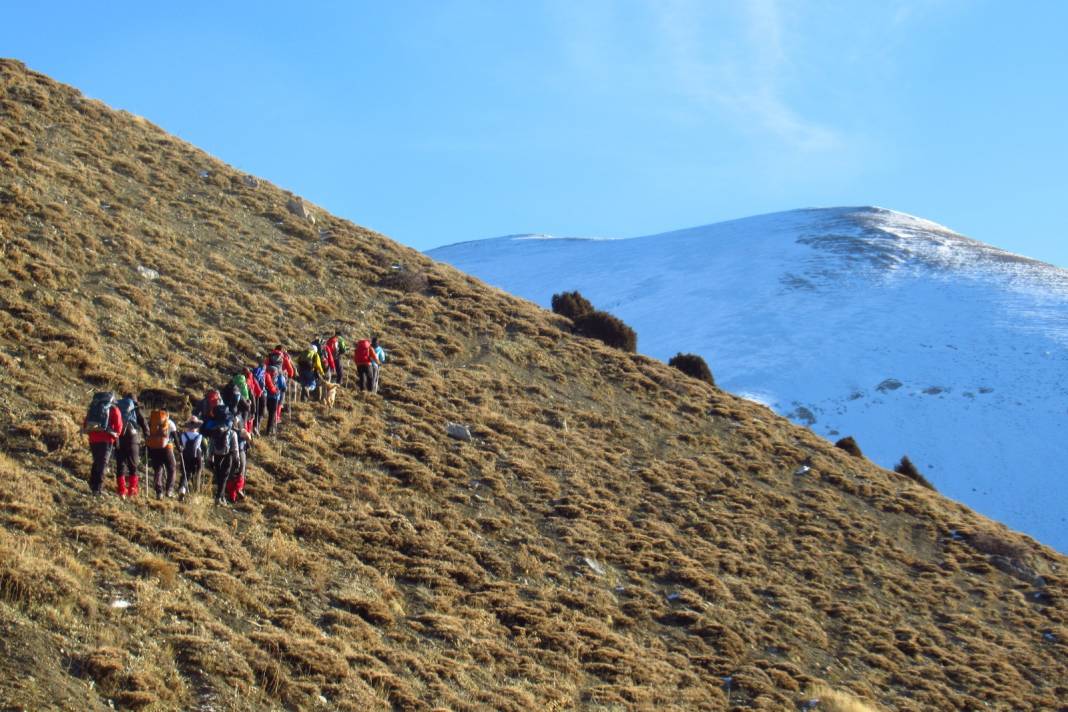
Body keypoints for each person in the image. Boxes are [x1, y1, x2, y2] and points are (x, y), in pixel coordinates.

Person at [82, 391, 123, 496]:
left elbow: (85, 423)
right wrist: (116, 435)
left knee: (97, 461)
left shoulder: (94, 407)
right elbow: (119, 426)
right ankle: (98, 489)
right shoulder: (113, 409)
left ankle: (93, 485)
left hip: (93, 439)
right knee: (102, 463)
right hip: (106, 439)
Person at [201, 405, 239, 506]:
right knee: (225, 476)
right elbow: (235, 448)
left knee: (219, 476)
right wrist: (237, 459)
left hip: (217, 455)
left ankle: (221, 497)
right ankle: (219, 497)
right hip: (228, 455)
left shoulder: (214, 431)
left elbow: (211, 445)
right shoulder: (232, 433)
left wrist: (209, 457)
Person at [114, 393, 148, 498]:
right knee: (133, 464)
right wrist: (147, 436)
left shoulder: (118, 407)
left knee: (121, 463)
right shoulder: (135, 408)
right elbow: (143, 422)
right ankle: (132, 489)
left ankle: (121, 490)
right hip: (132, 435)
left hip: (118, 435)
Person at [145, 407, 179, 498]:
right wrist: (179, 448)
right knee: (172, 468)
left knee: (158, 470)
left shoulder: (152, 422)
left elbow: (147, 434)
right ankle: (169, 490)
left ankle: (159, 492)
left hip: (154, 448)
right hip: (167, 447)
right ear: (167, 414)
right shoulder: (170, 423)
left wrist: (148, 447)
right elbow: (175, 438)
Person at [177, 417, 204, 496]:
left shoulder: (183, 435)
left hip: (186, 456)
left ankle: (182, 488)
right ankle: (195, 492)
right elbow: (200, 447)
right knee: (197, 474)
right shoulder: (199, 436)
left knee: (185, 473)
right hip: (196, 457)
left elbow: (182, 445)